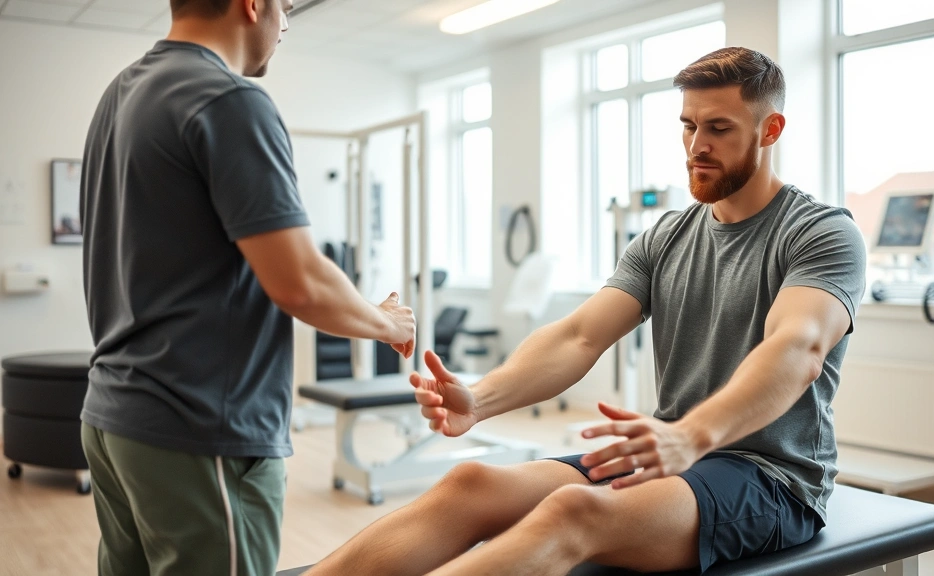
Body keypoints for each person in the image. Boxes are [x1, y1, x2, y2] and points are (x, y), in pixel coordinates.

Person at [307, 46, 867, 576]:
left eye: (719, 128)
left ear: (770, 130)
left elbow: (798, 349)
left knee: (571, 512)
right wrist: (480, 402)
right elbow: (578, 336)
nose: (697, 144)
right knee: (470, 483)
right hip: (672, 455)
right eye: (688, 125)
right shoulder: (668, 237)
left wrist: (691, 435)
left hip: (770, 479)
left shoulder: (820, 233)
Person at [78, 1, 416, 574]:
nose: (285, 24)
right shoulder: (229, 100)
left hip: (113, 420)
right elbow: (301, 282)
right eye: (285, 7)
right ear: (251, 3)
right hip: (199, 429)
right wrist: (387, 322)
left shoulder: (121, 93)